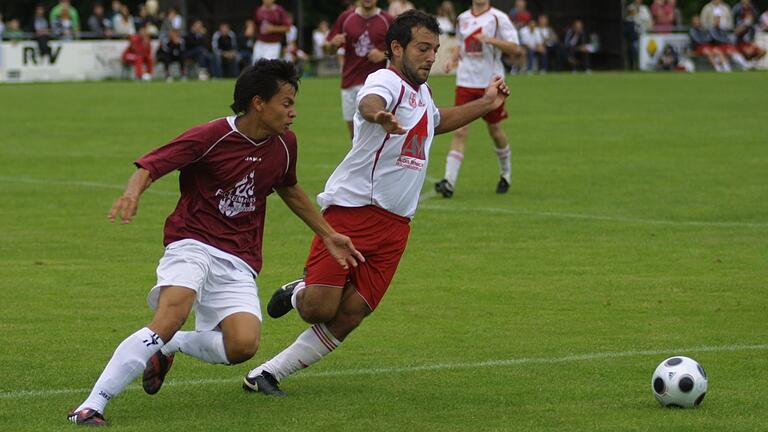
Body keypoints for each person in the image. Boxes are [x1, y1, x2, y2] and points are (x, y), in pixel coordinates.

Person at [67, 59, 363, 426]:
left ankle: (171, 346)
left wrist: (328, 234)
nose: (293, 112)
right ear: (259, 102)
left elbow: (288, 187)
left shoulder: (285, 144)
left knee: (243, 346)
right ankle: (92, 405)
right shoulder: (210, 136)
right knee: (170, 316)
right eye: (286, 103)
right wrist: (132, 192)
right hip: (191, 243)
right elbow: (152, 166)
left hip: (239, 258)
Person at [242, 10, 510, 397]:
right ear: (397, 48)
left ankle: (266, 374)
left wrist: (486, 103)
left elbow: (437, 120)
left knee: (351, 314)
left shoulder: (422, 92)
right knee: (319, 307)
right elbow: (369, 100)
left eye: (434, 49)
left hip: (397, 225)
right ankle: (299, 289)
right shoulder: (386, 80)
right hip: (354, 211)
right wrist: (378, 114)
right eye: (422, 48)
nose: (431, 56)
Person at [435, 0, 519, 198]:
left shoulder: (499, 18)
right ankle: (449, 181)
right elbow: (461, 45)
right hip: (465, 82)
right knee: (460, 130)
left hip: (490, 82)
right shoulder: (462, 18)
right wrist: (452, 60)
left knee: (495, 130)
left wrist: (491, 40)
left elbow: (514, 48)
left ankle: (505, 173)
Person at [324, 0, 393, 139]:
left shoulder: (388, 20)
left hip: (377, 84)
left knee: (377, 134)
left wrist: (383, 54)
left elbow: (402, 48)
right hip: (350, 82)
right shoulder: (346, 18)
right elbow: (328, 49)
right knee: (354, 136)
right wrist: (333, 44)